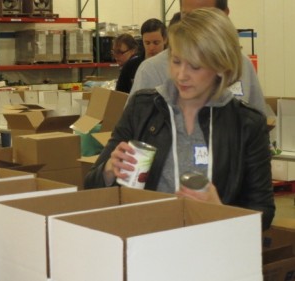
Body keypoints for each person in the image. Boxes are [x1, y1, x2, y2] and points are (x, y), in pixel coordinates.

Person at [84, 8, 275, 231]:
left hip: (212, 250)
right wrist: (109, 170)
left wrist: (219, 211)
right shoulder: (143, 108)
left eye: (194, 66)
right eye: (176, 61)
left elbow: (264, 211)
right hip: (145, 243)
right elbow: (91, 186)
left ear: (221, 67)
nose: (181, 75)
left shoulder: (247, 124)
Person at [129, 0, 267, 114]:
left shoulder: (242, 65)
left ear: (224, 15)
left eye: (203, 16)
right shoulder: (152, 70)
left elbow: (261, 125)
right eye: (187, 17)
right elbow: (133, 134)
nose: (193, 26)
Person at [116, 18, 167, 93]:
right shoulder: (130, 67)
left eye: (156, 43)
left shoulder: (172, 66)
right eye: (147, 43)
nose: (151, 48)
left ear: (165, 39)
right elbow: (119, 96)